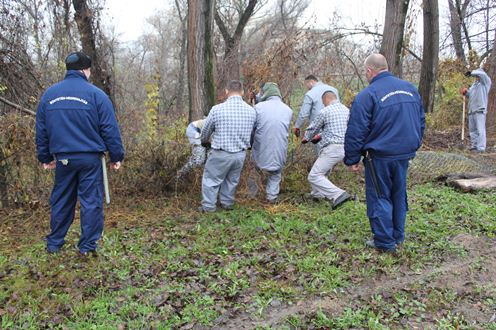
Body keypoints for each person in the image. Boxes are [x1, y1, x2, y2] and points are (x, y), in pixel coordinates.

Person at [35, 51, 124, 255]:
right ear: (86, 70)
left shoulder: (49, 95)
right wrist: (116, 156)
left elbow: (41, 129)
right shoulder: (97, 95)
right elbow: (109, 128)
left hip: (63, 159)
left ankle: (55, 243)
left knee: (61, 199)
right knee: (91, 201)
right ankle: (86, 247)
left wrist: (45, 157)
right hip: (90, 159)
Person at [344, 53, 425, 253]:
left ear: (370, 71)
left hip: (379, 156)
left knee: (380, 196)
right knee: (398, 193)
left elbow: (357, 129)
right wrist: (414, 144)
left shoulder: (367, 95)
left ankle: (384, 242)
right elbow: (421, 121)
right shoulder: (410, 89)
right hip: (404, 153)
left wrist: (352, 158)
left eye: (366, 72)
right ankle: (398, 235)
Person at [199, 80, 256, 212]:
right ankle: (227, 203)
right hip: (240, 154)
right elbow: (252, 132)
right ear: (242, 92)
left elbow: (205, 131)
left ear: (226, 91)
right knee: (232, 180)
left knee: (211, 180)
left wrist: (205, 141)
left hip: (221, 152)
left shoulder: (217, 109)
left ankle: (208, 207)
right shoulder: (251, 111)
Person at [303, 90, 351, 209]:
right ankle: (317, 194)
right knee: (322, 171)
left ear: (325, 100)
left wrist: (306, 138)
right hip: (346, 147)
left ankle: (338, 194)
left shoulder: (325, 111)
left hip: (333, 148)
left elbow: (313, 128)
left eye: (323, 102)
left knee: (314, 175)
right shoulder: (347, 110)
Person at [251, 82, 293, 203]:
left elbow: (253, 129)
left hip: (261, 146)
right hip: (280, 147)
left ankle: (251, 195)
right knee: (275, 173)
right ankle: (272, 197)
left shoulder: (258, 108)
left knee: (254, 170)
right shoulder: (288, 110)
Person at [293, 75, 340, 140]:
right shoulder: (334, 90)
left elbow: (303, 114)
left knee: (321, 150)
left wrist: (297, 126)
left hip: (318, 130)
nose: (307, 88)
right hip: (335, 128)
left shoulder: (310, 94)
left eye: (306, 84)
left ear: (311, 82)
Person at [460, 65, 492, 152]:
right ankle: (474, 146)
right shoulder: (474, 85)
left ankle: (481, 148)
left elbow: (482, 74)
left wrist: (472, 72)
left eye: (477, 75)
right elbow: (470, 95)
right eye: (475, 76)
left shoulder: (485, 82)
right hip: (472, 110)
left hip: (480, 110)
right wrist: (466, 92)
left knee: (480, 129)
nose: (476, 77)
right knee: (473, 130)